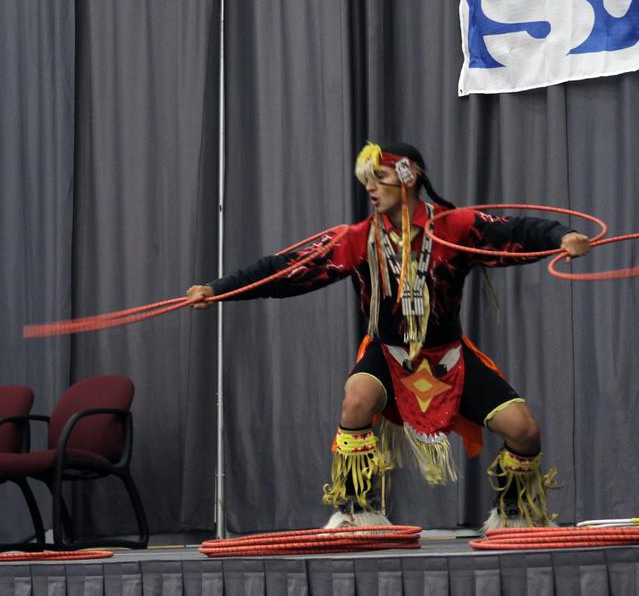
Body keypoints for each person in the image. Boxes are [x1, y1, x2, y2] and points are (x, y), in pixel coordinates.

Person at [187, 142, 590, 529]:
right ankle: (355, 511)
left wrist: (562, 238)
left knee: (524, 429)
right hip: (389, 353)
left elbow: (515, 231)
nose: (369, 188)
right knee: (357, 400)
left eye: (378, 178)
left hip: (448, 357)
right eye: (367, 180)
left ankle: (515, 514)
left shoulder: (456, 228)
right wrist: (218, 289)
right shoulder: (358, 238)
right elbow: (285, 268)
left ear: (407, 175)